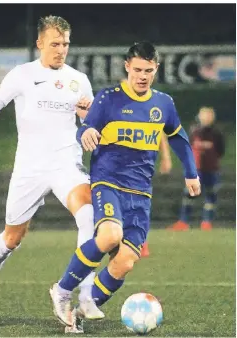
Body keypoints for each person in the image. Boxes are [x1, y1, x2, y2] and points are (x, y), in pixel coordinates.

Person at [0, 15, 101, 316]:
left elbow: (89, 123)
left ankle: (85, 292)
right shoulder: (22, 75)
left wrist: (88, 120)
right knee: (13, 237)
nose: (61, 50)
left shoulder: (80, 81)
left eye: (65, 44)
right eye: (55, 44)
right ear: (39, 43)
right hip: (30, 167)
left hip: (66, 163)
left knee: (89, 213)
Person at [49, 41, 201, 330]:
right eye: (138, 70)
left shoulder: (163, 104)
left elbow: (179, 138)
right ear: (127, 67)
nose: (142, 76)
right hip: (109, 183)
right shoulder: (109, 98)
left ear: (156, 69)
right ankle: (63, 290)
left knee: (126, 262)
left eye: (149, 70)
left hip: (141, 194)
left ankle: (79, 312)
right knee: (109, 235)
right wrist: (88, 132)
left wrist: (191, 173)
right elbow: (87, 127)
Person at [169, 106, 225, 231]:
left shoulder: (217, 133)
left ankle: (207, 222)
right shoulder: (194, 131)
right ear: (199, 117)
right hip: (196, 170)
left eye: (209, 116)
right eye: (204, 115)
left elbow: (221, 150)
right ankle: (183, 222)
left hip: (211, 170)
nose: (206, 118)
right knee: (189, 195)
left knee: (210, 196)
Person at [140, 133, 172, 257]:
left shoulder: (148, 114)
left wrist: (166, 157)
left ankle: (142, 244)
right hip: (116, 163)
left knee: (141, 203)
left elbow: (159, 131)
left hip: (141, 165)